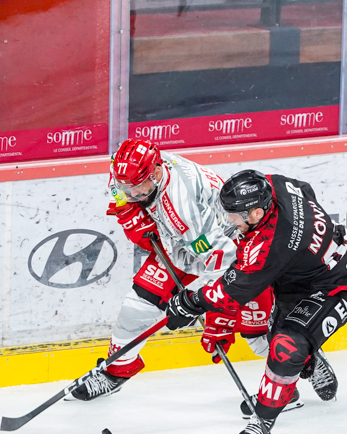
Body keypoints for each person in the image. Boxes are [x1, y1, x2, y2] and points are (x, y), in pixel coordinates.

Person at [166, 169, 347, 434]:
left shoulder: (270, 247)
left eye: (235, 216)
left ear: (258, 212)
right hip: (300, 274)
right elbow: (305, 189)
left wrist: (190, 302)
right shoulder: (274, 184)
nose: (230, 221)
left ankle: (263, 417)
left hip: (338, 285)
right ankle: (300, 375)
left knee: (286, 347)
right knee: (277, 336)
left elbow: (231, 290)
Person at [68, 139, 274, 401]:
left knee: (256, 334)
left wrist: (206, 308)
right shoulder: (126, 171)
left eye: (136, 190)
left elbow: (221, 260)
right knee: (137, 307)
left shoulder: (182, 209)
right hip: (181, 245)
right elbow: (122, 193)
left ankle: (301, 363)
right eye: (125, 188)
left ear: (154, 173)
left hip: (225, 246)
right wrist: (130, 211)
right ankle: (115, 372)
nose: (129, 193)